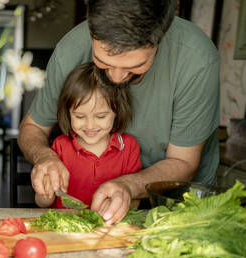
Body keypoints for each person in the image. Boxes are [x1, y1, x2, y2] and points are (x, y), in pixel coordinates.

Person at [19, 0, 220, 224]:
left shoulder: (197, 60)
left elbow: (183, 162)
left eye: (134, 66)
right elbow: (33, 127)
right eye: (102, 62)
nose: (115, 78)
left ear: (160, 38)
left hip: (175, 203)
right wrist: (44, 156)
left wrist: (128, 186)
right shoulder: (71, 49)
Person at [35, 62, 142, 209]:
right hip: (64, 229)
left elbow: (135, 200)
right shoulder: (60, 147)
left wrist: (117, 204)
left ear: (117, 112)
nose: (90, 126)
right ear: (68, 113)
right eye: (79, 117)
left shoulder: (129, 147)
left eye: (101, 116)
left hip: (109, 228)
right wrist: (45, 194)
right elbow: (41, 203)